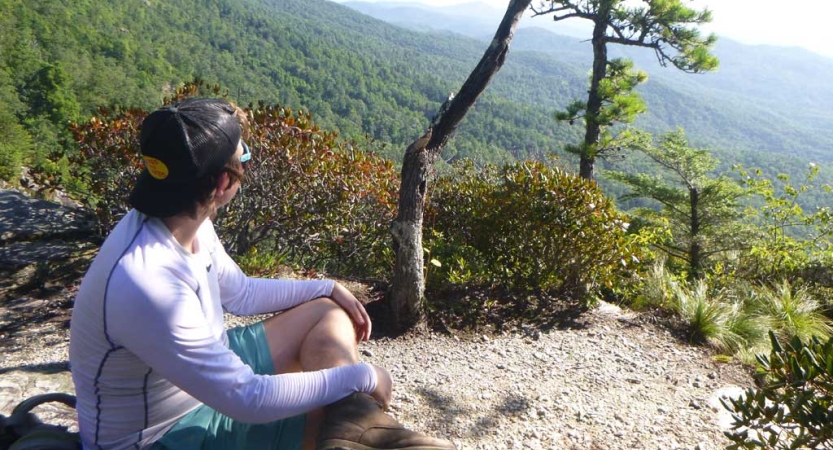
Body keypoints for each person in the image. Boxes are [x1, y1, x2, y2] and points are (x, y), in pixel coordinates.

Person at [68, 98, 456, 450]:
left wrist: (327, 287)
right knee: (321, 415)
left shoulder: (179, 214)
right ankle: (351, 428)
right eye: (245, 156)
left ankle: (354, 427)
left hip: (200, 385)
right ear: (223, 182)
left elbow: (241, 293)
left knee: (325, 311)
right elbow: (248, 399)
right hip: (160, 435)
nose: (247, 162)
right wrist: (363, 376)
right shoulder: (147, 280)